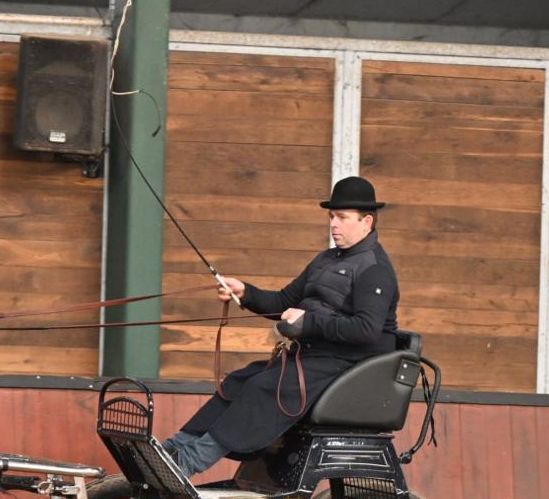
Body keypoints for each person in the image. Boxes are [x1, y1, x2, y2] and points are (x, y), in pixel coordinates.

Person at [163, 175, 399, 478]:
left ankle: (189, 462)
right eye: (331, 216)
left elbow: (366, 329)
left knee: (263, 388)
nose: (333, 224)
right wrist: (245, 293)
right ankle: (174, 447)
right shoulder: (325, 260)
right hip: (312, 359)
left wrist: (308, 323)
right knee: (240, 379)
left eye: (342, 217)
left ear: (366, 222)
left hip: (345, 366)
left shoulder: (375, 270)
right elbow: (284, 300)